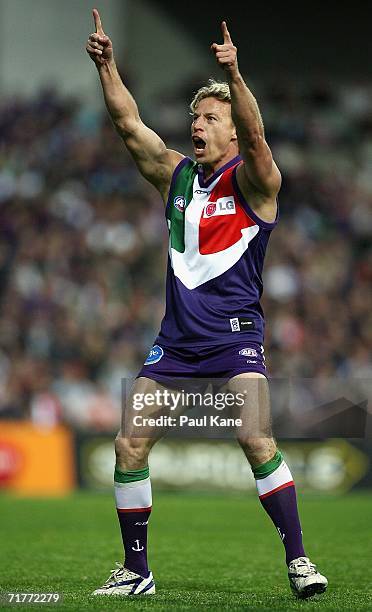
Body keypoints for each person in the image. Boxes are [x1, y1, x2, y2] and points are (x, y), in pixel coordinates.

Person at [86, 8, 328, 599]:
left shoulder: (255, 182)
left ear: (232, 131)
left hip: (234, 337)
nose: (197, 124)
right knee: (128, 443)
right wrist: (108, 65)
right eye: (194, 115)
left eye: (210, 117)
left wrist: (236, 78)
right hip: (176, 344)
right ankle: (136, 571)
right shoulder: (176, 178)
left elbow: (259, 134)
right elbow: (128, 124)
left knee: (256, 439)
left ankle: (299, 562)